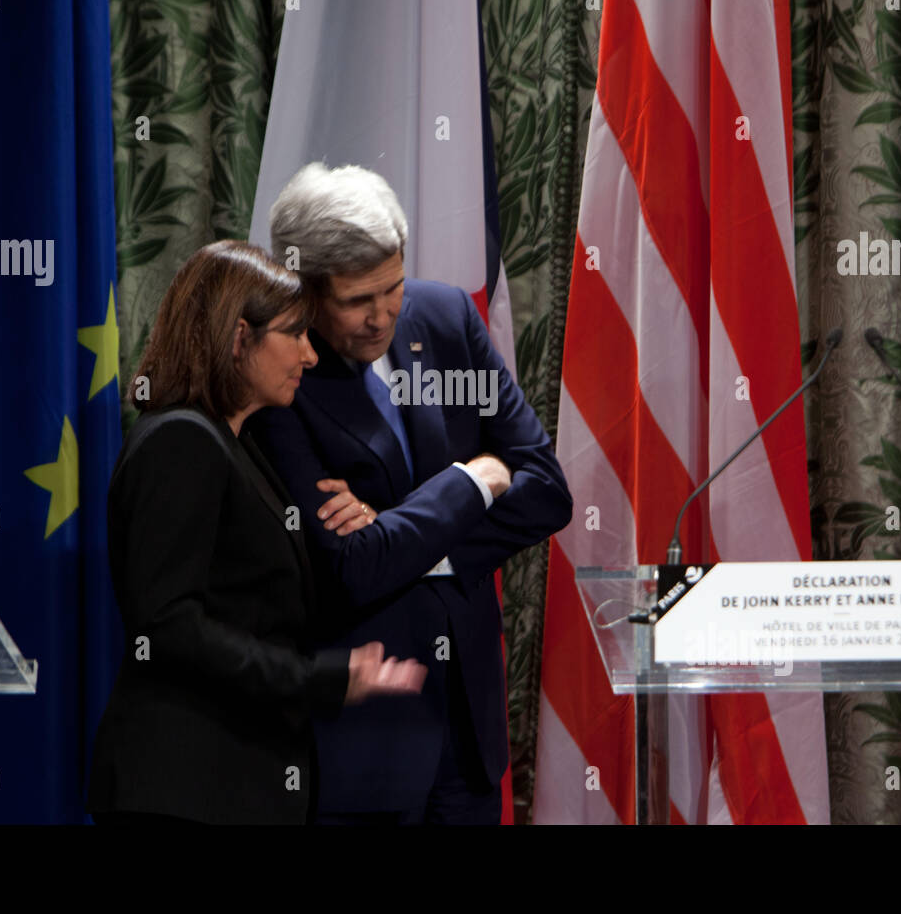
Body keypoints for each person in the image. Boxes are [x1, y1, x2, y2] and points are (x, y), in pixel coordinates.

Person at [250, 164, 573, 824]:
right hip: (361, 741)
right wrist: (469, 483)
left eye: (392, 287)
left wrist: (399, 536)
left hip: (467, 722)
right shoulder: (282, 372)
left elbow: (547, 489)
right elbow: (349, 568)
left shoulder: (445, 315)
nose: (382, 317)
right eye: (355, 300)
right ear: (307, 292)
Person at [87, 240, 425, 825]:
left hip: (234, 785)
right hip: (188, 791)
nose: (311, 356)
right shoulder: (181, 442)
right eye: (295, 334)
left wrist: (369, 518)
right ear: (240, 337)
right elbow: (169, 626)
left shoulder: (236, 440)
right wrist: (319, 678)